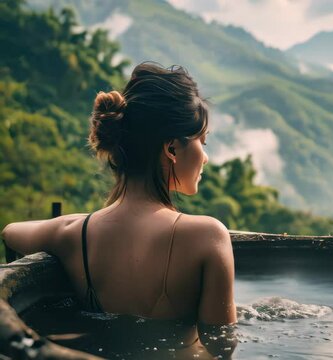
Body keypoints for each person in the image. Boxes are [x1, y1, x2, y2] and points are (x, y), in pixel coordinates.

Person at [1, 62, 237, 357]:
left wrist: (74, 222)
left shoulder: (73, 234)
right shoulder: (207, 236)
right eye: (202, 141)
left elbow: (11, 232)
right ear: (172, 148)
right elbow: (222, 346)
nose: (205, 157)